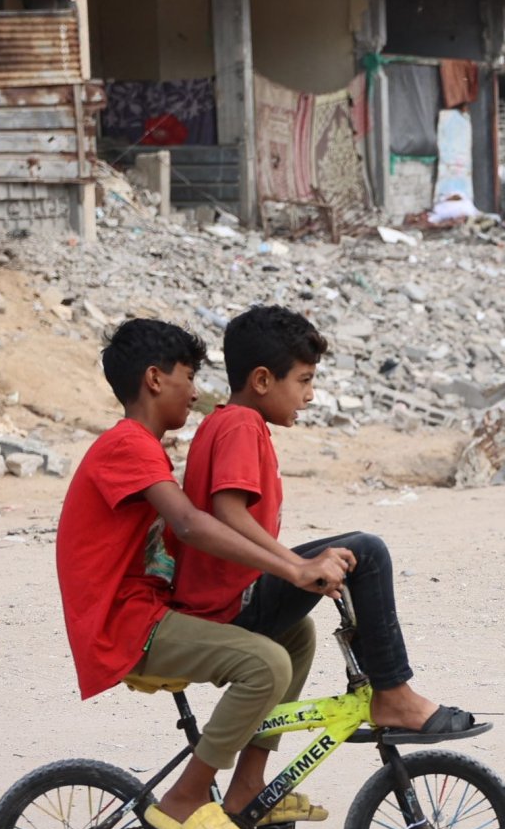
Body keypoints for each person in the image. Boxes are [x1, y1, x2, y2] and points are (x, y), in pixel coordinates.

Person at [56, 319, 351, 829]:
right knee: (263, 663)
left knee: (295, 635)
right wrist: (291, 568)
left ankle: (248, 785)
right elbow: (193, 525)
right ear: (154, 379)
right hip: (125, 626)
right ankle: (185, 798)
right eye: (188, 377)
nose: (195, 392)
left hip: (150, 612)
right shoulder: (127, 445)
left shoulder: (144, 448)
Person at [172, 306, 474, 753]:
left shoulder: (223, 420)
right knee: (365, 552)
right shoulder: (240, 424)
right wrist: (297, 566)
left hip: (225, 594)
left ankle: (250, 789)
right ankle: (393, 695)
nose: (310, 395)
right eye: (305, 380)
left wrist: (298, 564)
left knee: (341, 562)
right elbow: (228, 513)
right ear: (261, 381)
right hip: (232, 602)